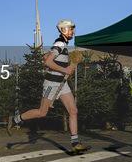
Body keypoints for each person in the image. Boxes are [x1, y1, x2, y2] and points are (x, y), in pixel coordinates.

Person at [7, 19, 89, 154]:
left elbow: (47, 58)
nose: (73, 32)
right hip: (51, 83)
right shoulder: (60, 43)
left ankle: (75, 143)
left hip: (62, 83)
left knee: (73, 111)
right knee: (42, 112)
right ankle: (16, 119)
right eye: (71, 29)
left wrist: (64, 65)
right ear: (63, 30)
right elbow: (49, 63)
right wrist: (66, 70)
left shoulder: (61, 45)